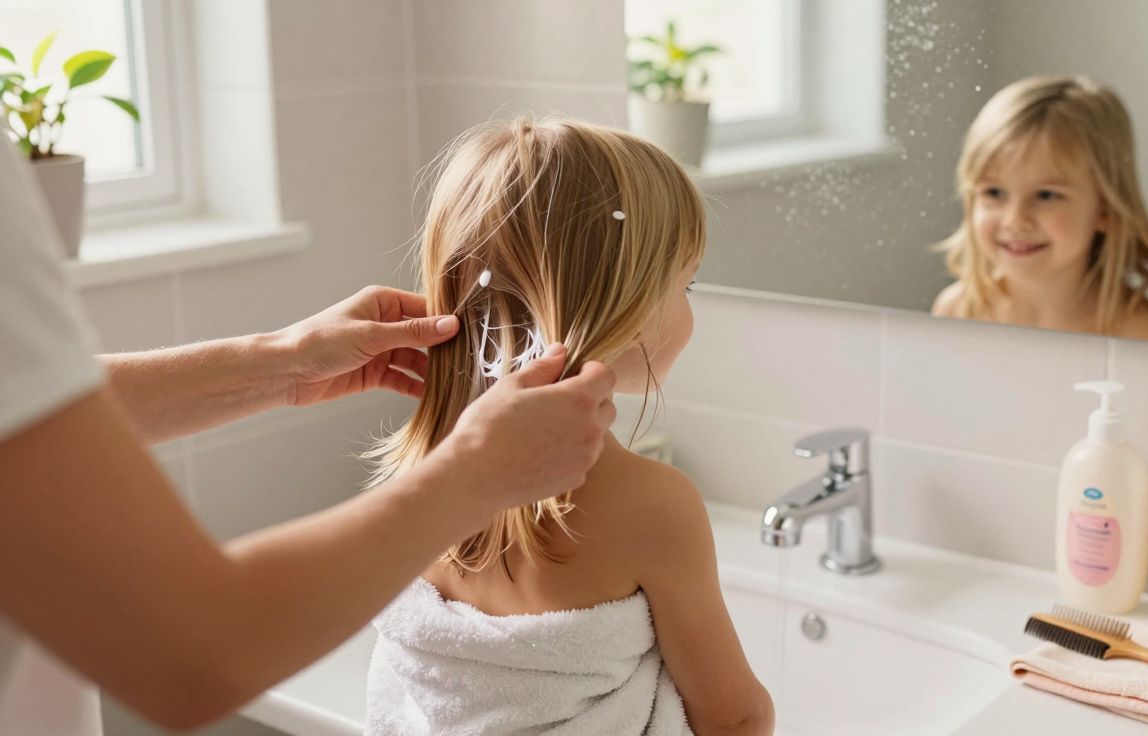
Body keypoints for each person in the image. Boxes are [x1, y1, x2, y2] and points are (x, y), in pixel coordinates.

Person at [0, 139, 617, 734]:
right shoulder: (652, 511)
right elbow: (189, 652)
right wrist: (476, 474)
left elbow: (25, 399)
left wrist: (284, 360)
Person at [364, 117, 774, 735]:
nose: (691, 305)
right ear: (626, 306)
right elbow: (735, 717)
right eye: (686, 284)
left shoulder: (416, 479)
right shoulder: (652, 505)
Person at [932, 75, 1148, 341]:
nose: (1015, 220)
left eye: (1046, 195)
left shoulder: (1141, 333)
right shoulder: (957, 310)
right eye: (994, 192)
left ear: (1105, 209)